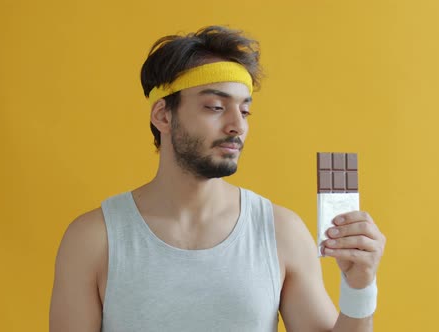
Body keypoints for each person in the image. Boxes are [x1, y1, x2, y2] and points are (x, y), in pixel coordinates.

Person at [49, 26, 386, 332]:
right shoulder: (93, 239)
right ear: (163, 116)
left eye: (245, 110)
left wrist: (360, 287)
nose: (237, 125)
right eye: (215, 107)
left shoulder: (280, 232)